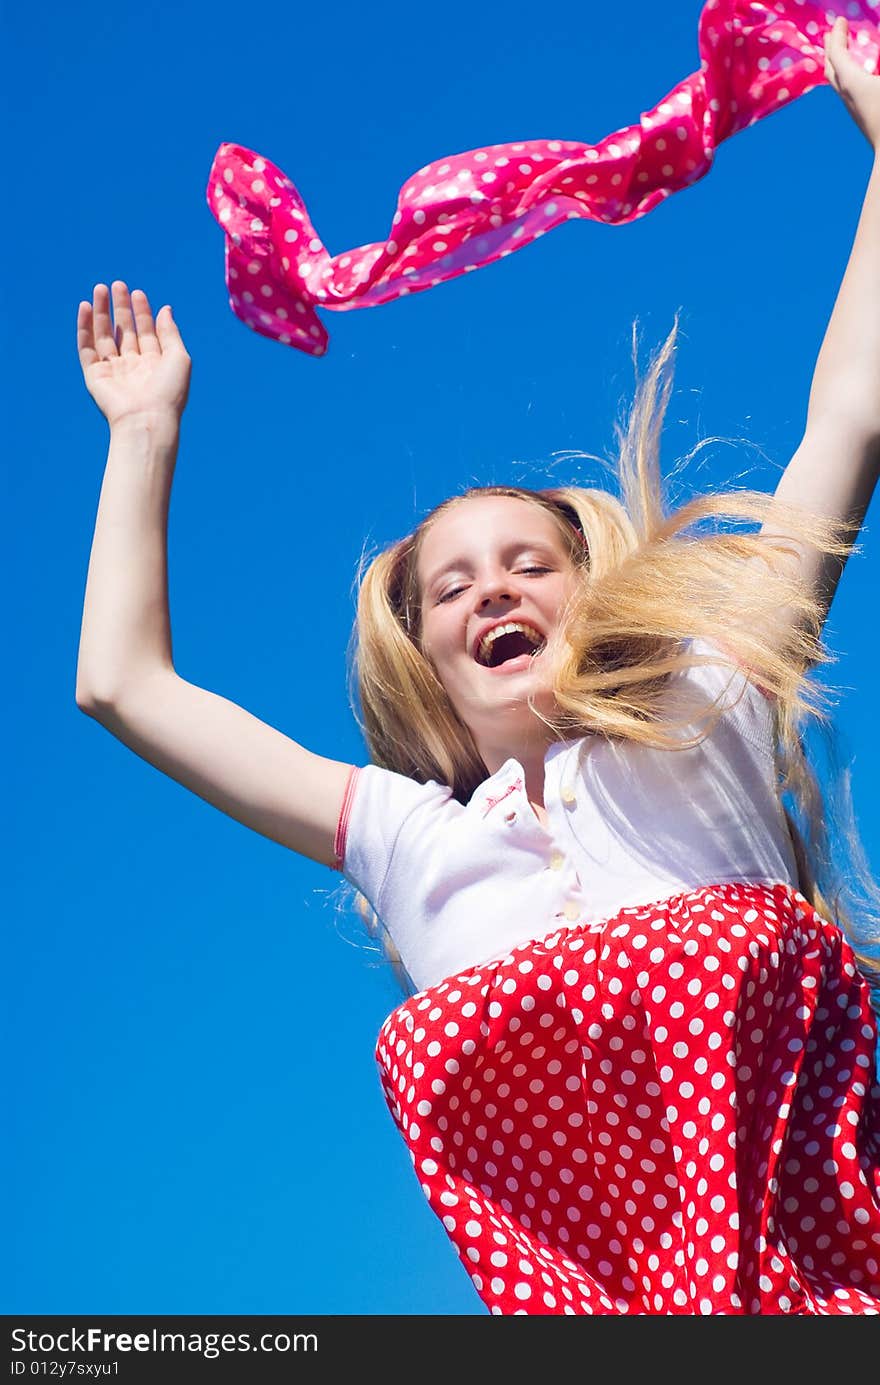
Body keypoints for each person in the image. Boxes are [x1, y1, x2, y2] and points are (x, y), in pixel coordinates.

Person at [75, 19, 879, 1315]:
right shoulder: (409, 841)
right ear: (427, 657)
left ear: (594, 591)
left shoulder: (708, 707)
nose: (492, 589)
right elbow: (124, 683)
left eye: (528, 563)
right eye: (451, 585)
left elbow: (850, 410)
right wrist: (143, 432)